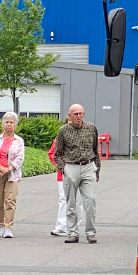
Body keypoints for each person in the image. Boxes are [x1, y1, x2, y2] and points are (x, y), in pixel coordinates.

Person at [52, 104, 100, 244]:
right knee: (71, 203)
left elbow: (95, 150)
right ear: (69, 116)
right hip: (71, 166)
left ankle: (90, 232)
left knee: (90, 201)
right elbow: (56, 154)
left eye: (81, 113)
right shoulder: (63, 131)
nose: (78, 116)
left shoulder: (91, 128)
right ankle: (73, 232)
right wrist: (64, 169)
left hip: (88, 166)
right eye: (75, 114)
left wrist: (97, 169)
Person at [0, 112, 25, 238]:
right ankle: (0, 225)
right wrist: (0, 168)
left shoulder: (19, 141)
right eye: (6, 122)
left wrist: (8, 169)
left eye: (11, 122)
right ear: (3, 124)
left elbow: (20, 158)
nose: (9, 124)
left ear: (15, 125)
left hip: (12, 174)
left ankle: (8, 227)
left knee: (10, 200)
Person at [48, 130, 69, 236]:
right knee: (63, 199)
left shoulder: (84, 134)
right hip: (63, 174)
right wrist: (61, 167)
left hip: (80, 173)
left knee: (78, 201)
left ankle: (74, 227)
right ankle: (61, 226)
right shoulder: (60, 137)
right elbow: (52, 153)